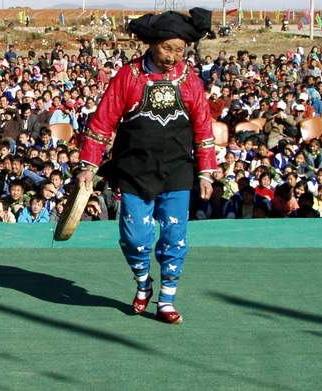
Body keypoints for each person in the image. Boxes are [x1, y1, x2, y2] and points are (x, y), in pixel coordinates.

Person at [76, 8, 216, 325]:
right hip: (133, 170)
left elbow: (203, 128)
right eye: (167, 48)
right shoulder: (129, 76)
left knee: (175, 236)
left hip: (178, 170)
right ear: (152, 43)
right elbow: (102, 122)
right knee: (135, 238)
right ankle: (143, 283)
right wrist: (89, 165)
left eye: (179, 50)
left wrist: (206, 171)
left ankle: (166, 300)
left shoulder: (190, 81)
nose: (172, 56)